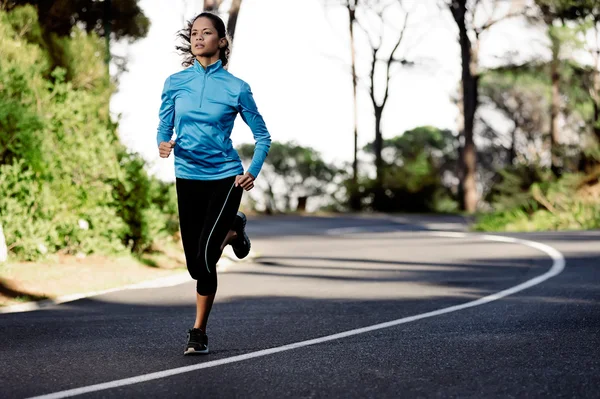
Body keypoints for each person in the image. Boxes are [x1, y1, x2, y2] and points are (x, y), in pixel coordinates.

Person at [156, 12, 271, 355]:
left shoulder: (237, 88)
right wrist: (163, 143)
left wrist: (254, 170)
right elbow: (164, 126)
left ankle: (198, 331)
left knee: (205, 259)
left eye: (207, 33)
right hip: (187, 177)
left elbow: (262, 136)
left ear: (221, 41)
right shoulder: (175, 82)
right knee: (194, 265)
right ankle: (233, 230)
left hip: (225, 177)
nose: (198, 37)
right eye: (194, 33)